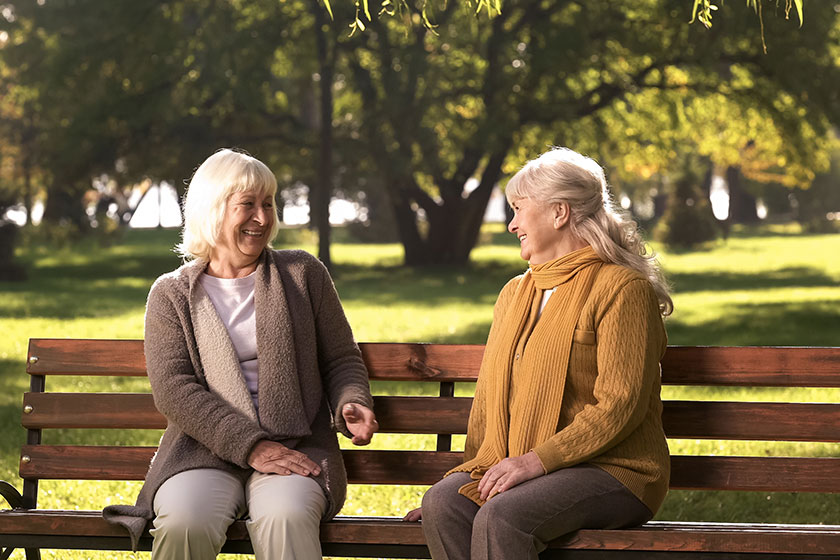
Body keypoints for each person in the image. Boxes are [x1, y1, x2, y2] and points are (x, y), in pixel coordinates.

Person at [103, 148, 377, 559]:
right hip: (202, 450)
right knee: (184, 522)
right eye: (247, 205)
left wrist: (351, 400)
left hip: (297, 447)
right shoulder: (171, 294)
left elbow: (341, 358)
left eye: (268, 204)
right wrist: (252, 447)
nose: (263, 218)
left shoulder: (303, 274)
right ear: (213, 210)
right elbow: (175, 390)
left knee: (285, 517)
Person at [404, 147, 673, 560]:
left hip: (616, 470)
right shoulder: (515, 293)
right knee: (444, 504)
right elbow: (490, 401)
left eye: (518, 209)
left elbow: (620, 405)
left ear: (559, 212)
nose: (512, 224)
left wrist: (537, 461)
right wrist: (469, 477)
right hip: (531, 468)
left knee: (502, 517)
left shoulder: (622, 289)